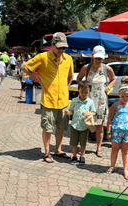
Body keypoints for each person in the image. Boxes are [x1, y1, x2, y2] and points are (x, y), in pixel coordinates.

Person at [23, 32, 74, 163]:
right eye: (59, 47)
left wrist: (65, 89)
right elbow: (25, 66)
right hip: (48, 101)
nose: (61, 50)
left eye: (64, 47)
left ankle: (58, 150)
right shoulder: (43, 57)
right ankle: (47, 153)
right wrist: (35, 77)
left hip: (63, 101)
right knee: (48, 128)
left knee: (61, 128)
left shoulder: (68, 59)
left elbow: (70, 77)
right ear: (52, 45)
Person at [77, 45, 116, 158]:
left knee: (99, 126)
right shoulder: (86, 68)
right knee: (85, 124)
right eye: (97, 58)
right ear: (92, 57)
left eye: (101, 58)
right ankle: (83, 146)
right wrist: (83, 87)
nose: (98, 60)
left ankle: (99, 147)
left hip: (101, 101)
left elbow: (113, 79)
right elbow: (79, 78)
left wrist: (109, 86)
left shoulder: (107, 68)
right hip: (88, 100)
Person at [106, 77, 128, 180]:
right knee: (114, 149)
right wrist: (109, 131)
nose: (124, 98)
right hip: (116, 131)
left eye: (127, 96)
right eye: (122, 96)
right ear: (119, 95)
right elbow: (109, 119)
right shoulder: (115, 105)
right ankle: (112, 165)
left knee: (125, 151)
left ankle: (126, 169)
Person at [67, 82, 96, 165]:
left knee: (83, 143)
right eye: (82, 92)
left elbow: (94, 112)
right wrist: (68, 112)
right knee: (74, 142)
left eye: (86, 92)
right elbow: (71, 110)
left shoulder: (90, 102)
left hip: (84, 126)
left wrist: (89, 113)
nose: (84, 94)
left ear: (89, 92)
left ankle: (82, 155)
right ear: (78, 90)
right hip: (74, 125)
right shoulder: (74, 100)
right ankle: (74, 156)